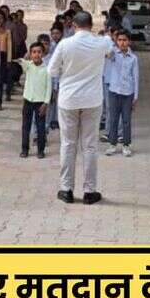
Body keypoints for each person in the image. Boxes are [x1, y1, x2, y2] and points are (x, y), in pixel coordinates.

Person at [48, 11, 114, 205]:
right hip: (92, 100)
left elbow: (51, 70)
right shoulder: (101, 43)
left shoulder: (65, 44)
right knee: (90, 146)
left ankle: (66, 189)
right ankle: (89, 191)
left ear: (74, 26)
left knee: (68, 144)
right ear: (91, 25)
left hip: (68, 100)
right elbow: (110, 48)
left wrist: (66, 72)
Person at [105, 30, 139, 158]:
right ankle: (112, 144)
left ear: (129, 41)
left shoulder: (133, 58)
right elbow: (107, 54)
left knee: (126, 120)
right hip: (114, 91)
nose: (122, 43)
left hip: (128, 93)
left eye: (124, 40)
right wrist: (110, 41)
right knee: (113, 119)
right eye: (119, 40)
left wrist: (135, 96)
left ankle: (126, 144)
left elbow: (135, 77)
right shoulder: (114, 54)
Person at [17, 42, 53, 158]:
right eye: (34, 52)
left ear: (43, 54)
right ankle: (25, 149)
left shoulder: (47, 69)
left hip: (40, 103)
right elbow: (22, 61)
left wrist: (46, 103)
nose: (36, 54)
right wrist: (27, 56)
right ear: (30, 53)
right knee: (25, 126)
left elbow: (49, 88)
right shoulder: (28, 65)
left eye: (39, 52)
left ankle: (40, 150)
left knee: (40, 127)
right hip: (28, 100)